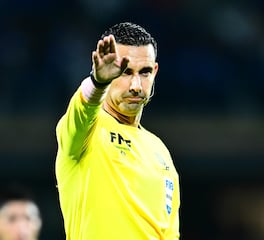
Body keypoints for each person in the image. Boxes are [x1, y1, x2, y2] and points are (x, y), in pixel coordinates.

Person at [55, 22, 180, 239]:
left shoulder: (160, 151)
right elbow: (83, 109)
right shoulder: (85, 131)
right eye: (125, 72)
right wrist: (98, 83)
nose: (135, 85)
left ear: (155, 72)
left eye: (145, 72)